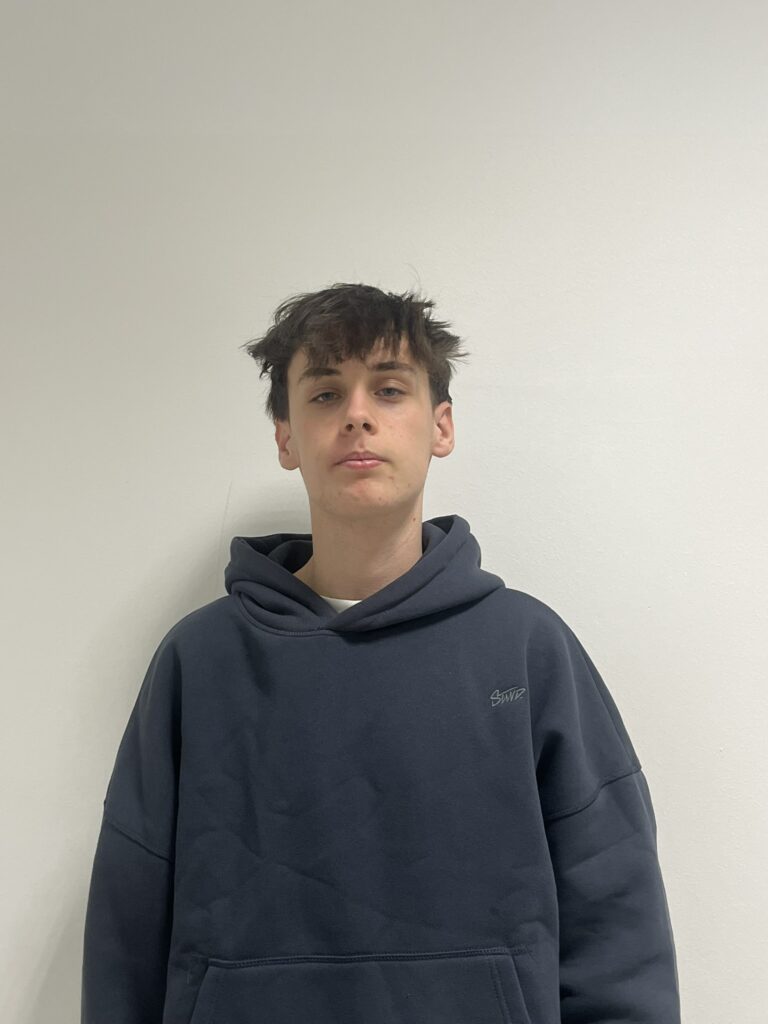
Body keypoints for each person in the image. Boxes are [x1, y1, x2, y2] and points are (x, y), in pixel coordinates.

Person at [81, 282, 681, 1023]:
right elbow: (127, 931)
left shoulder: (528, 651)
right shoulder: (198, 661)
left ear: (441, 425)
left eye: (389, 390)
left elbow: (617, 920)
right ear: (285, 437)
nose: (358, 415)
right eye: (325, 394)